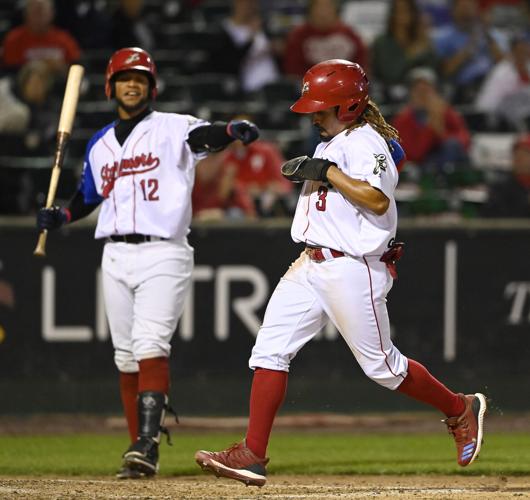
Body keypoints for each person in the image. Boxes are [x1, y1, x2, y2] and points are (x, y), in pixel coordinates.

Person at [194, 59, 487, 487]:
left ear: (348, 108)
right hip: (311, 263)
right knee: (269, 351)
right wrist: (334, 167)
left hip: (353, 267)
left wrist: (329, 172)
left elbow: (377, 199)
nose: (313, 114)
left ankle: (460, 408)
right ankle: (253, 454)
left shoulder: (362, 140)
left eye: (322, 107)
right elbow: (382, 165)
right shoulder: (340, 139)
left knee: (383, 369)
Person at [35, 47, 259, 479]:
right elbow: (88, 196)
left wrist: (230, 129)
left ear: (151, 86)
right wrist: (61, 216)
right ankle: (138, 447)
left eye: (139, 78)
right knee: (125, 357)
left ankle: (148, 444)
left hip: (164, 250)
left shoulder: (173, 128)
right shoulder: (100, 143)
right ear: (112, 87)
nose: (132, 84)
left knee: (150, 345)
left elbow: (204, 137)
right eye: (124, 78)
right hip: (115, 253)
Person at [392, 67, 470, 175]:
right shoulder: (404, 118)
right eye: (418, 90)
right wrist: (430, 127)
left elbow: (464, 138)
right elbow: (415, 154)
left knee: (452, 145)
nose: (423, 95)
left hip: (445, 158)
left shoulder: (444, 111)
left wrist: (441, 132)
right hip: (418, 166)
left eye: (426, 90)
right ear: (411, 93)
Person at [433, 0, 507, 103]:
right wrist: (470, 48)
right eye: (463, 6)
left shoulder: (492, 35)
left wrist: (486, 33)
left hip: (493, 86)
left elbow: (505, 65)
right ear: (453, 10)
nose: (467, 10)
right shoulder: (442, 36)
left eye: (470, 5)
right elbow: (445, 71)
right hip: (462, 88)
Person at [371, 0, 439, 102]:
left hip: (421, 94)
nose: (402, 16)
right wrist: (411, 54)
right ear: (392, 14)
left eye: (406, 11)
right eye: (398, 11)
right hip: (390, 95)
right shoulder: (382, 42)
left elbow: (433, 70)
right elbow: (391, 75)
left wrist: (426, 41)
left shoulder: (420, 39)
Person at [207, 0, 279, 94]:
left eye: (252, 3)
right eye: (246, 3)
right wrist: (250, 39)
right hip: (249, 89)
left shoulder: (260, 26)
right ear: (236, 3)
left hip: (274, 83)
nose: (250, 7)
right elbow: (230, 62)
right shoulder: (225, 30)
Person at [282, 0, 367, 79]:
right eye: (319, 8)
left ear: (336, 11)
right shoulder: (299, 35)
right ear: (310, 11)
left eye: (327, 8)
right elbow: (293, 69)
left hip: (344, 86)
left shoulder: (349, 34)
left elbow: (361, 64)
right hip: (309, 87)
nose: (323, 13)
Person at [2, 0, 81, 75]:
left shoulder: (65, 40)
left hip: (58, 85)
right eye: (35, 11)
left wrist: (60, 68)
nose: (39, 16)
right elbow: (10, 70)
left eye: (42, 11)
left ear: (51, 13)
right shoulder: (14, 40)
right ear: (26, 14)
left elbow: (75, 66)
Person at [475, 34, 530, 130]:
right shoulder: (502, 71)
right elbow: (489, 99)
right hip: (503, 117)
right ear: (512, 52)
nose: (523, 54)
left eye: (525, 50)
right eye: (519, 51)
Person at [480, 133, 530, 217]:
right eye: (516, 154)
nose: (519, 158)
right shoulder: (500, 188)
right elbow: (491, 219)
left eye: (526, 154)